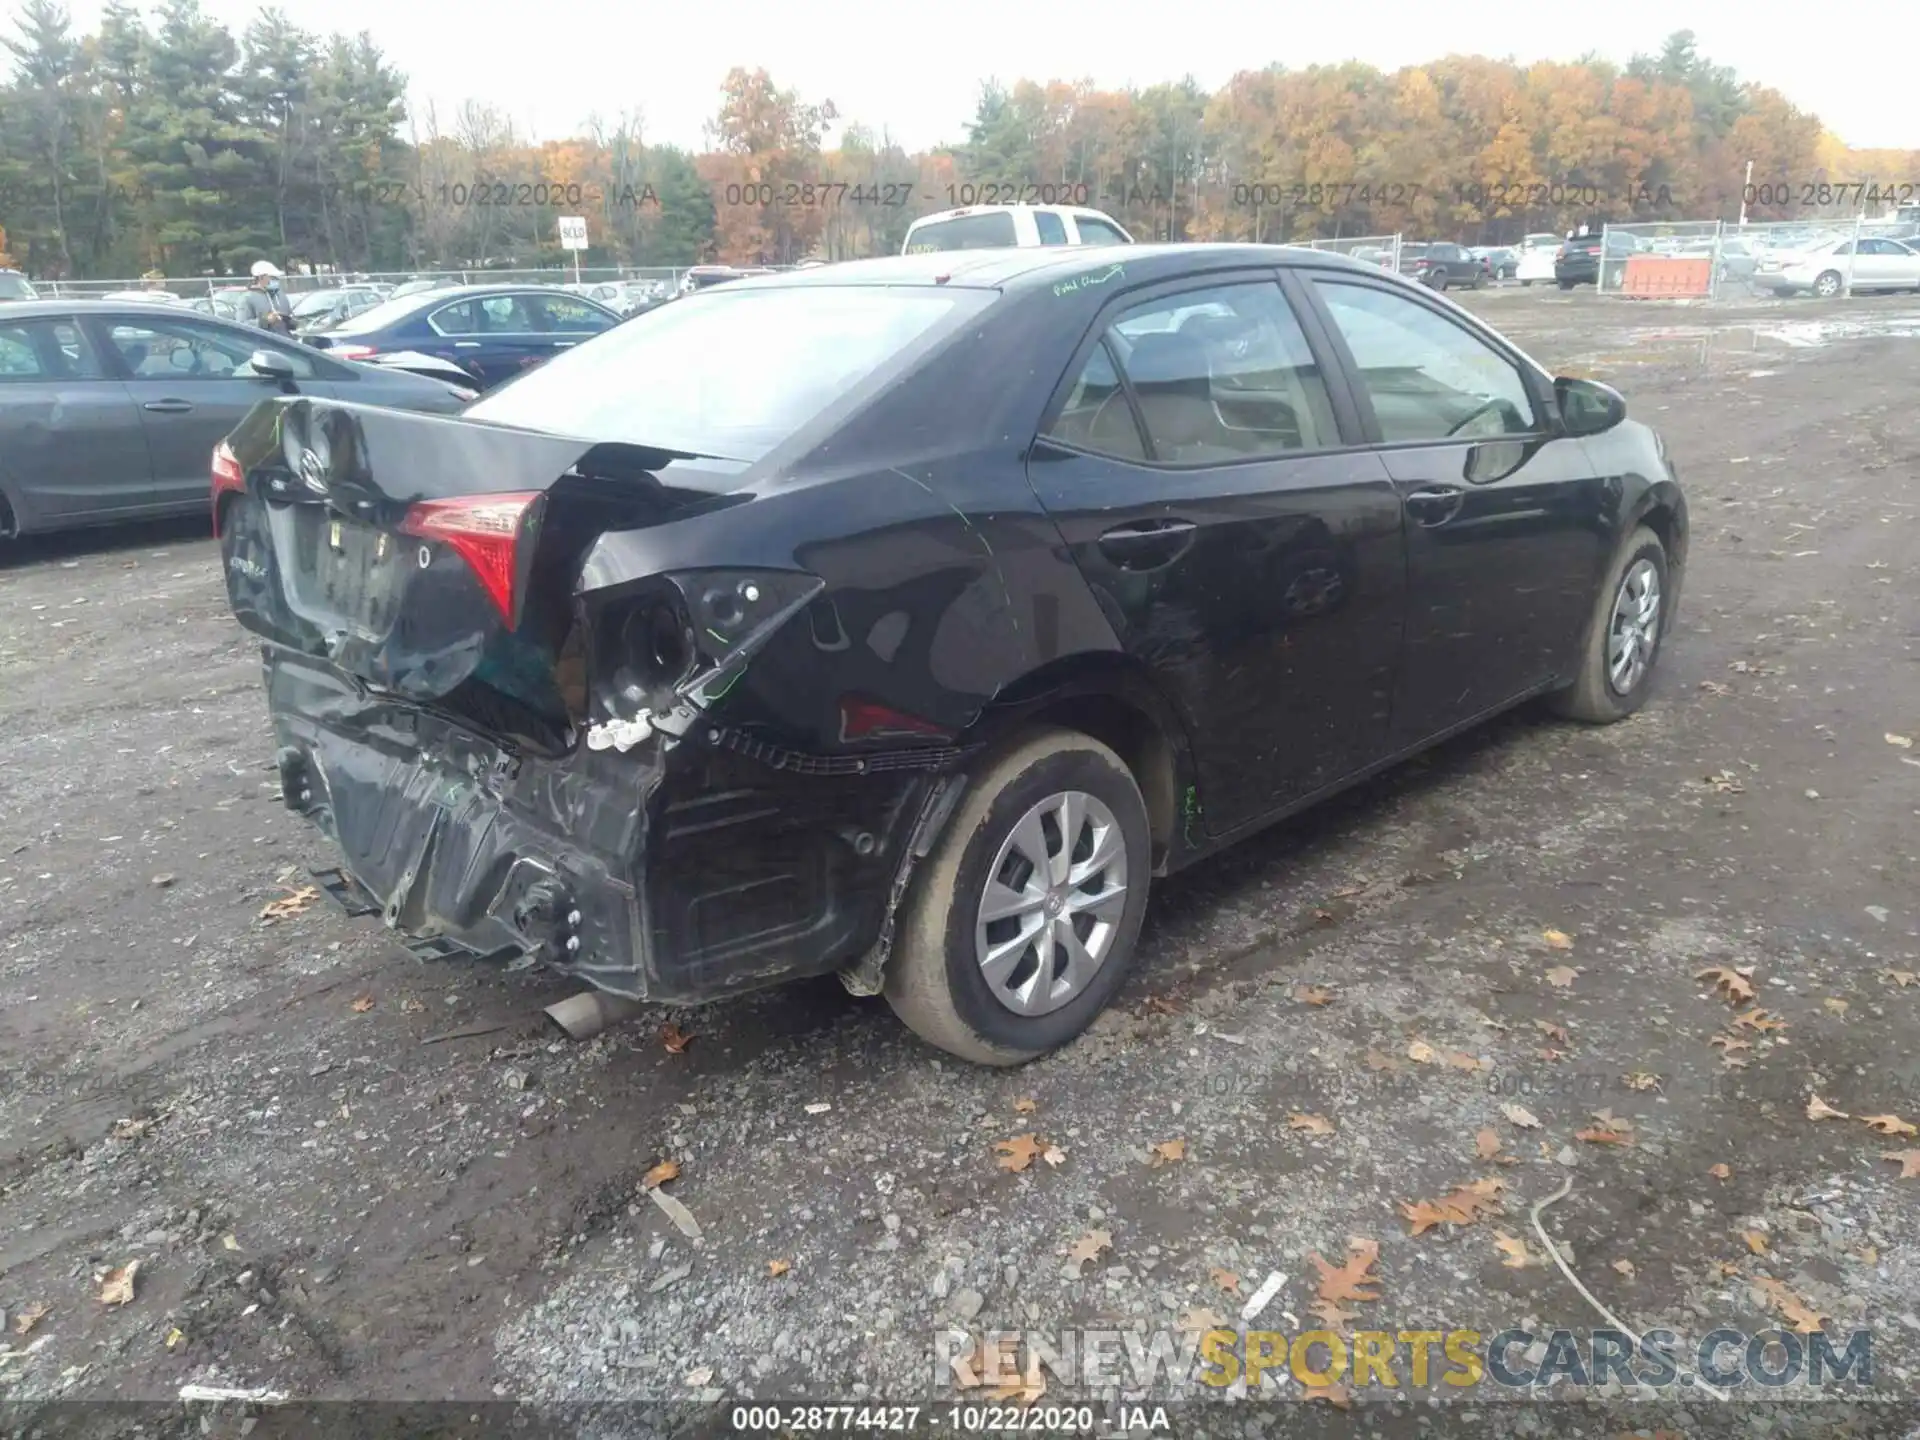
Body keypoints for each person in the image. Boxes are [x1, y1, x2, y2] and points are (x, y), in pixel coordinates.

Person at [242, 259, 294, 334]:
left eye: (277, 278)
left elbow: (289, 318)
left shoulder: (281, 296)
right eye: (272, 277)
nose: (276, 280)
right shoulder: (247, 298)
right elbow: (242, 324)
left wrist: (293, 323)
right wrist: (265, 321)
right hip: (262, 343)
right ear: (260, 278)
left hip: (285, 341)